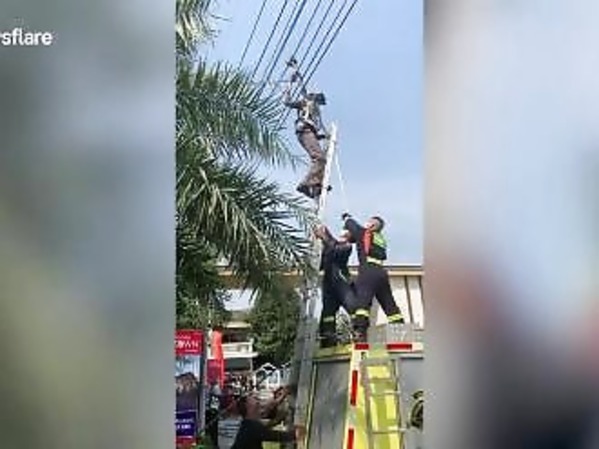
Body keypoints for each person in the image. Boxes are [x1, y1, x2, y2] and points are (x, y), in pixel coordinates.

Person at [342, 213, 404, 342]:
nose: (367, 222)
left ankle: (360, 333)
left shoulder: (365, 232)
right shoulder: (380, 238)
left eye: (369, 221)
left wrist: (346, 217)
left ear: (374, 225)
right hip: (381, 272)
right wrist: (351, 238)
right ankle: (401, 333)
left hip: (368, 271)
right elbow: (360, 240)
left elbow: (353, 226)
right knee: (389, 304)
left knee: (362, 302)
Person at [284, 81, 328, 200]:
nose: (319, 104)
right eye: (319, 100)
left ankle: (316, 184)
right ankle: (305, 183)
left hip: (309, 132)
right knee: (319, 158)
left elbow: (315, 131)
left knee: (320, 160)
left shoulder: (315, 112)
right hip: (304, 130)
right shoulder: (305, 102)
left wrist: (323, 136)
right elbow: (287, 102)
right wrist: (289, 85)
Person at [314, 225, 356, 348]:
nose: (343, 231)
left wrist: (324, 235)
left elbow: (335, 250)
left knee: (353, 307)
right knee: (327, 314)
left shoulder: (347, 246)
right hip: (329, 286)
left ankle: (359, 334)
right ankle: (328, 340)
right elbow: (322, 263)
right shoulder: (330, 245)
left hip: (342, 283)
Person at [230, 395, 305, 449]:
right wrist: (295, 434)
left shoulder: (248, 426)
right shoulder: (251, 428)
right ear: (248, 407)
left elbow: (267, 427)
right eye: (257, 404)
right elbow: (278, 436)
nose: (258, 402)